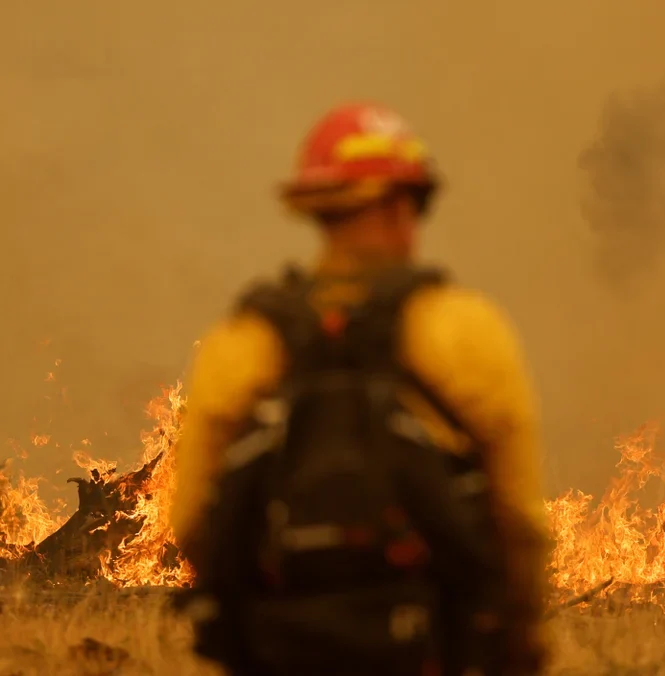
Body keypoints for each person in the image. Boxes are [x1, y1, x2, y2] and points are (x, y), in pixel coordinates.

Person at [168, 102, 550, 675]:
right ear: (401, 206)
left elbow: (195, 520)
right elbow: (518, 520)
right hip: (429, 648)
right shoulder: (468, 330)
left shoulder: (243, 341)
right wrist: (516, 644)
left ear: (318, 212)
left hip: (278, 650)